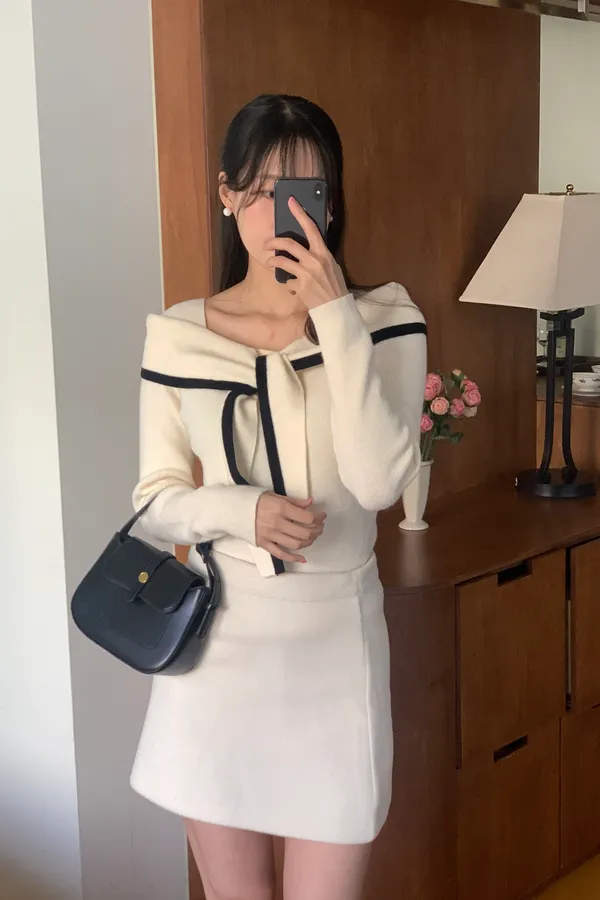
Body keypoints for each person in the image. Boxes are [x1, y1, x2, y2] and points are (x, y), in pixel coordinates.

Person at [130, 94, 427, 900]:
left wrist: (334, 314)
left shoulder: (388, 319)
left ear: (332, 200)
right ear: (226, 196)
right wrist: (241, 512)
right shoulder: (179, 333)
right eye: (262, 191)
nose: (282, 214)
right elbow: (154, 501)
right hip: (215, 658)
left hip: (336, 657)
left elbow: (379, 482)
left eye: (305, 190)